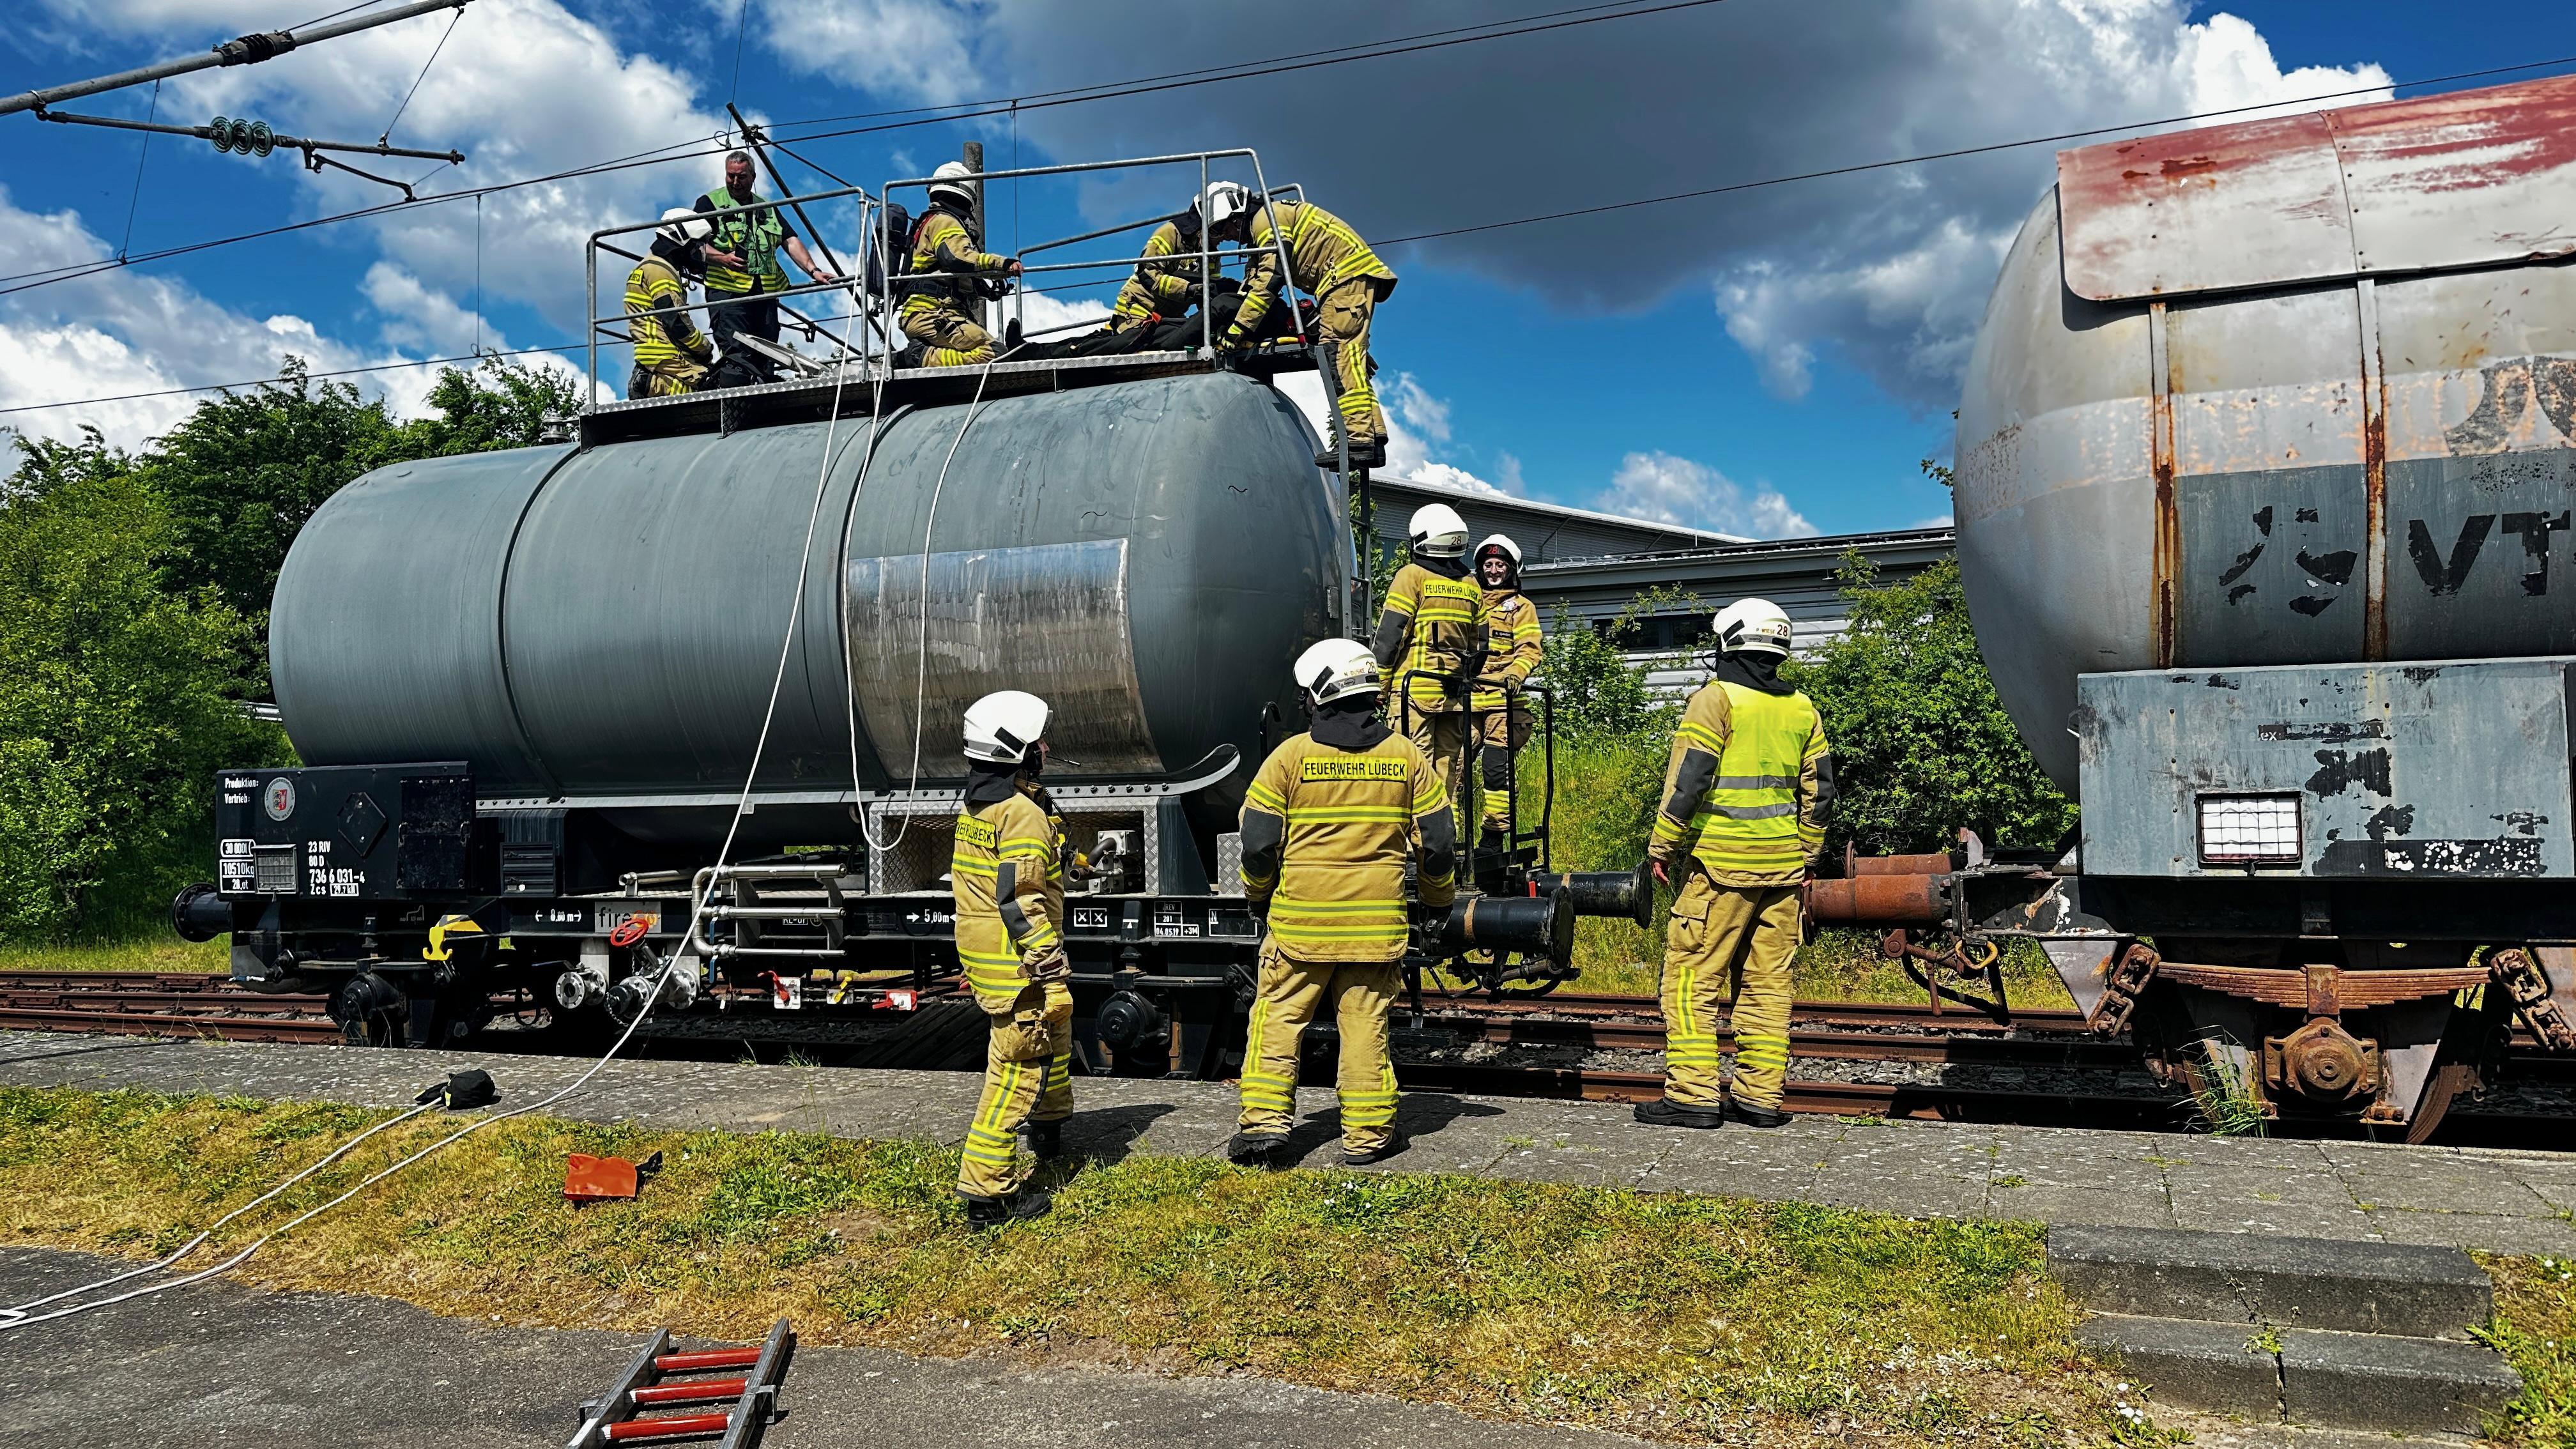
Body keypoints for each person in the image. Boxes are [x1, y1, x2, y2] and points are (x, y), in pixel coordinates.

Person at [1230, 638, 1457, 1168]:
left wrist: (1256, 896)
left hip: (1299, 928)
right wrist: (1438, 900)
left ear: (1318, 697)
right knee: (1365, 1028)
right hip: (1375, 929)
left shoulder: (1289, 758)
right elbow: (1439, 841)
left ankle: (1264, 1129)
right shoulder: (1405, 756)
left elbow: (1259, 843)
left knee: (1278, 1021)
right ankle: (1370, 1138)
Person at [1637, 599, 1834, 1131]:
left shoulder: (1715, 699)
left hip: (1720, 870)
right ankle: (1760, 1099)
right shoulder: (1802, 709)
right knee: (1768, 988)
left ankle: (1694, 1097)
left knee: (1689, 981)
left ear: (1728, 642)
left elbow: (1690, 780)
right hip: (1784, 873)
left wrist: (1662, 846)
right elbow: (1820, 795)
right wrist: (1808, 856)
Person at [950, 689, 1075, 1226]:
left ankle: (1050, 1127)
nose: (1046, 748)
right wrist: (1052, 973)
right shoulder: (1020, 815)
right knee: (1017, 1068)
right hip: (1018, 960)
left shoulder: (983, 805)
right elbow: (1020, 901)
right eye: (1038, 742)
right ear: (1016, 749)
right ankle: (987, 1195)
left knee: (1055, 1039)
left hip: (988, 951)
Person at [1199, 181, 1397, 469]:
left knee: (1337, 356)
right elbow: (1254, 283)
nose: (1225, 237)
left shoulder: (1266, 221)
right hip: (1347, 277)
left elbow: (1271, 280)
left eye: (1222, 228)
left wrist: (1236, 332)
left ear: (1236, 216)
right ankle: (1372, 440)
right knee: (1350, 359)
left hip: (1343, 278)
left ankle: (1358, 442)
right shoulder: (1266, 223)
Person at [1369, 503, 1484, 843]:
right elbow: (1481, 646)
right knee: (1448, 770)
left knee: (1410, 766)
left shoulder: (1412, 576)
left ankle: (1410, 841)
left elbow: (1391, 635)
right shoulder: (1471, 586)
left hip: (1413, 694)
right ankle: (1443, 837)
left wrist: (1379, 685)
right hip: (1455, 695)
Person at [694, 150, 835, 382]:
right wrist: (723, 258)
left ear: (753, 177)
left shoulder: (766, 207)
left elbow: (790, 240)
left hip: (765, 294)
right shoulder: (710, 203)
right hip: (728, 293)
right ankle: (737, 407)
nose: (736, 182)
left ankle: (765, 403)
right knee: (737, 355)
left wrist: (814, 270)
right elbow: (694, 243)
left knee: (767, 355)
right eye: (731, 176)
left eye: (741, 177)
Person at [901, 160, 1022, 367]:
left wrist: (986, 291)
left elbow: (946, 272)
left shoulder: (928, 222)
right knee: (995, 352)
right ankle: (920, 357)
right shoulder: (945, 221)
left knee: (993, 350)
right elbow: (956, 257)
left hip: (926, 312)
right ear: (967, 195)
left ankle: (920, 355)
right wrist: (1003, 263)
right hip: (935, 313)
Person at [1468, 534, 1545, 854]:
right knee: (1453, 768)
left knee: (1494, 769)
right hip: (1468, 701)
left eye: (1500, 565)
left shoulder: (1521, 608)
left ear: (1512, 569)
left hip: (1504, 703)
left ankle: (1494, 837)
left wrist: (1515, 673)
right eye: (1488, 564)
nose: (1494, 570)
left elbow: (1530, 649)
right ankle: (1448, 837)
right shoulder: (1467, 602)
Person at [625, 209, 716, 398]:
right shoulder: (661, 272)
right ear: (681, 241)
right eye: (696, 246)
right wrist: (705, 347)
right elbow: (676, 322)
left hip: (654, 365)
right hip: (670, 369)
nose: (698, 253)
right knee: (719, 390)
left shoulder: (648, 266)